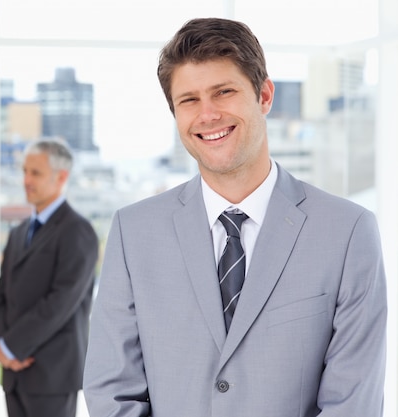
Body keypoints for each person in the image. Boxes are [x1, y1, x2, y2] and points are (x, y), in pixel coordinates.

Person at [83, 17, 387, 417]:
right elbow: (111, 392)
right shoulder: (133, 232)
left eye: (223, 92)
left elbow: (353, 404)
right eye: (188, 100)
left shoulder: (348, 232)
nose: (207, 115)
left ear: (264, 96)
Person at [0, 139, 99, 417]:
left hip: (52, 374)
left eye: (35, 173)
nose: (26, 180)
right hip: (14, 376)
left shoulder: (78, 231)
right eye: (25, 171)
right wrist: (4, 348)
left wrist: (11, 347)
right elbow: (1, 296)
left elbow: (60, 302)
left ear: (61, 177)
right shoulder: (17, 232)